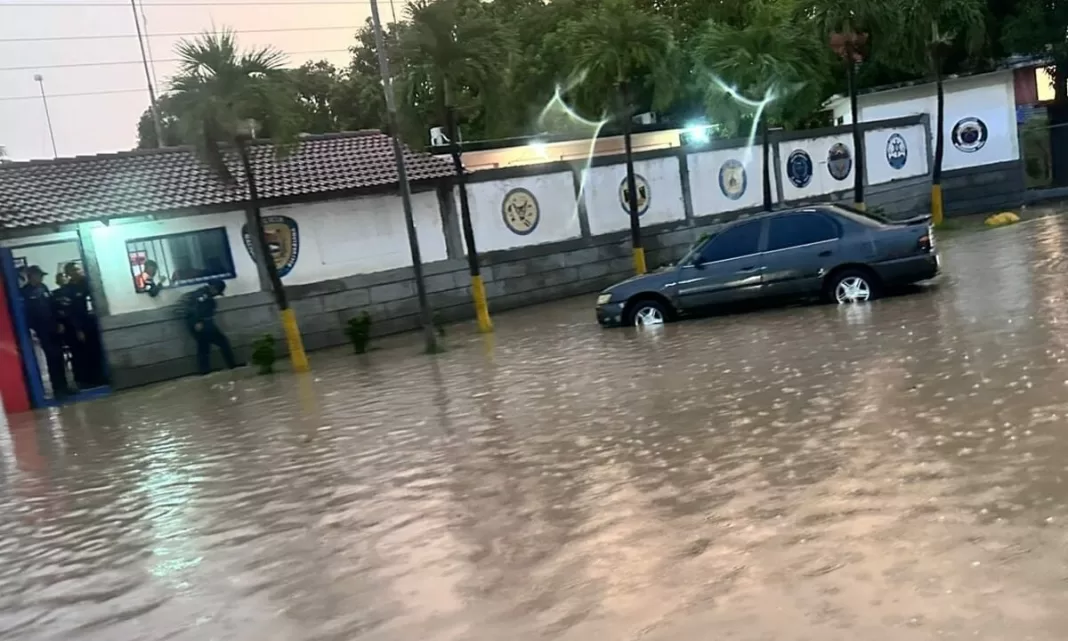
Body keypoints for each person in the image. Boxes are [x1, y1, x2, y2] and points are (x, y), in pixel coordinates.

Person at [20, 265, 70, 398]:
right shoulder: (24, 292)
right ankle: (57, 388)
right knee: (51, 357)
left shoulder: (44, 288)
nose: (40, 278)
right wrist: (32, 330)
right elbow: (26, 314)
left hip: (53, 327)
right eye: (38, 275)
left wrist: (59, 322)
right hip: (40, 330)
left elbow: (53, 306)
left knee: (59, 357)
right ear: (31, 276)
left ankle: (64, 386)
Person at [55, 261, 105, 388]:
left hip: (93, 323)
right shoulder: (67, 290)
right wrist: (78, 329)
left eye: (78, 269)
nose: (77, 272)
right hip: (77, 326)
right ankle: (85, 381)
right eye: (74, 270)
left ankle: (100, 378)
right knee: (80, 354)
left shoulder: (89, 284)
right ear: (69, 274)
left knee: (96, 352)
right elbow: (70, 311)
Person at [179, 279, 235, 375]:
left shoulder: (202, 293)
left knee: (203, 346)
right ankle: (232, 365)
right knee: (222, 342)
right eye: (217, 292)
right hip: (201, 323)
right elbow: (195, 308)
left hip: (198, 323)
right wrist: (197, 321)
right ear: (214, 288)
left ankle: (204, 371)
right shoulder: (203, 295)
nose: (216, 294)